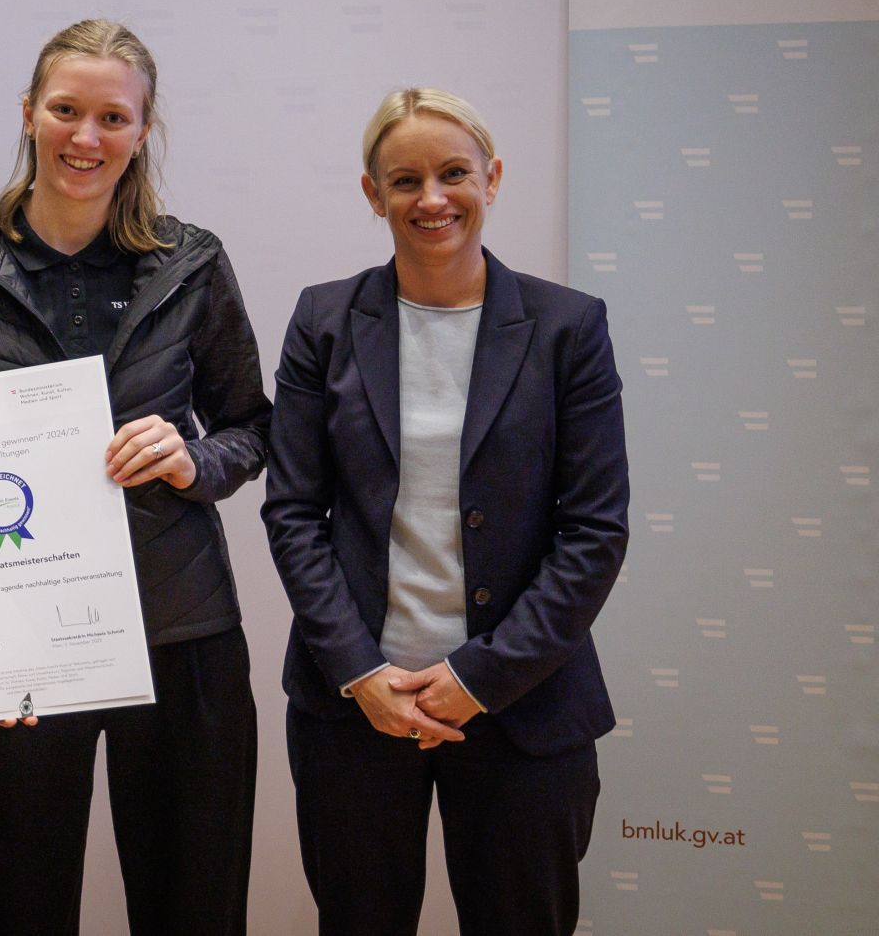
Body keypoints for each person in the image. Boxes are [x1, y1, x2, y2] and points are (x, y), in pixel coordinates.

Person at [0, 19, 272, 935]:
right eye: (67, 110)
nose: (86, 137)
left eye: (114, 116)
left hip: (180, 633)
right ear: (29, 114)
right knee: (17, 912)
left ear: (143, 131)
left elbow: (252, 427)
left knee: (196, 910)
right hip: (22, 647)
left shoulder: (192, 262)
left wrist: (195, 461)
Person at [261, 88, 629, 935]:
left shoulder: (568, 327)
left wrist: (478, 678)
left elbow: (595, 532)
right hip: (357, 709)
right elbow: (292, 512)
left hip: (523, 710)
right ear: (372, 194)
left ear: (491, 178)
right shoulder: (325, 319)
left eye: (453, 173)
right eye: (406, 180)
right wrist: (360, 672)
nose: (432, 199)